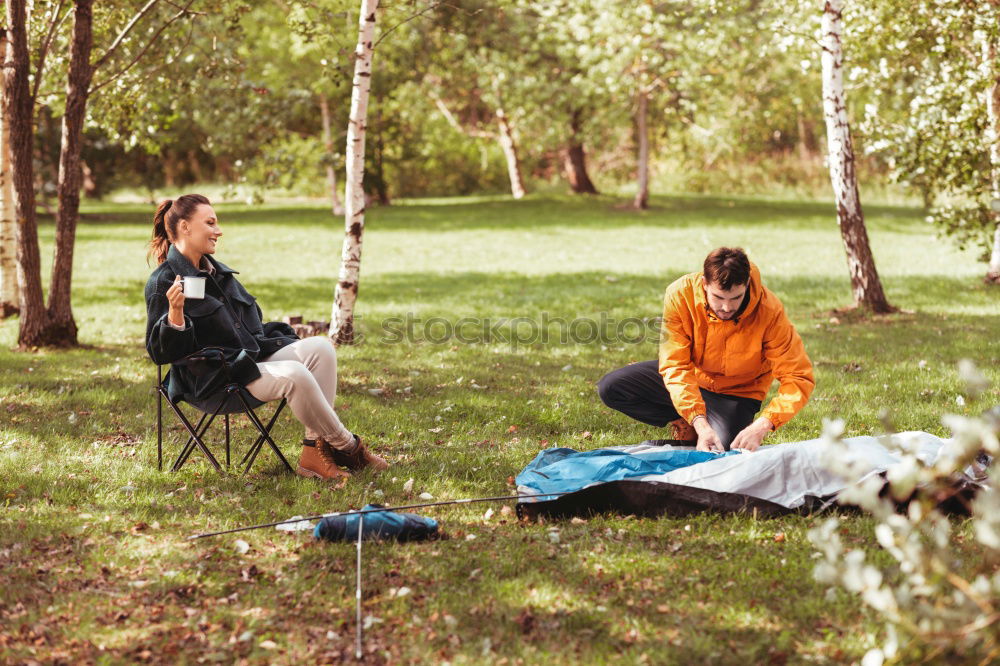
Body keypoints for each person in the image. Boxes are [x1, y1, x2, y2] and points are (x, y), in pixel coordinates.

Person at [144, 193, 387, 480]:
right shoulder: (163, 282)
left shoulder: (218, 274)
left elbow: (249, 323)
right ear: (185, 227)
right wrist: (175, 314)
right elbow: (161, 354)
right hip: (213, 379)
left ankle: (313, 452)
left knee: (321, 349)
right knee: (294, 373)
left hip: (248, 361)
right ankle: (348, 446)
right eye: (210, 223)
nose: (218, 231)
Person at [597, 247, 814, 452]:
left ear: (747, 284)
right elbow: (675, 365)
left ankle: (703, 423)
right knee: (612, 388)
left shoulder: (770, 311)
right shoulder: (680, 295)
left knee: (725, 448)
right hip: (693, 378)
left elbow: (797, 377)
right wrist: (699, 422)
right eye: (718, 297)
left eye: (736, 298)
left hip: (738, 393)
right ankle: (684, 419)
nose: (727, 307)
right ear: (704, 283)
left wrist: (763, 425)